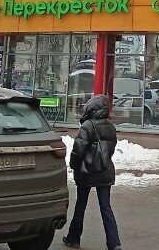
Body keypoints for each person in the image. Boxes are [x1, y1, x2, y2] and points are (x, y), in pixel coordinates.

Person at [63, 95, 121, 250]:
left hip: (86, 171)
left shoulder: (87, 125)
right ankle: (114, 243)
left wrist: (74, 165)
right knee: (106, 207)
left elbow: (78, 150)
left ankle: (74, 238)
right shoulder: (111, 126)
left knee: (81, 205)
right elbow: (110, 149)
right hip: (105, 169)